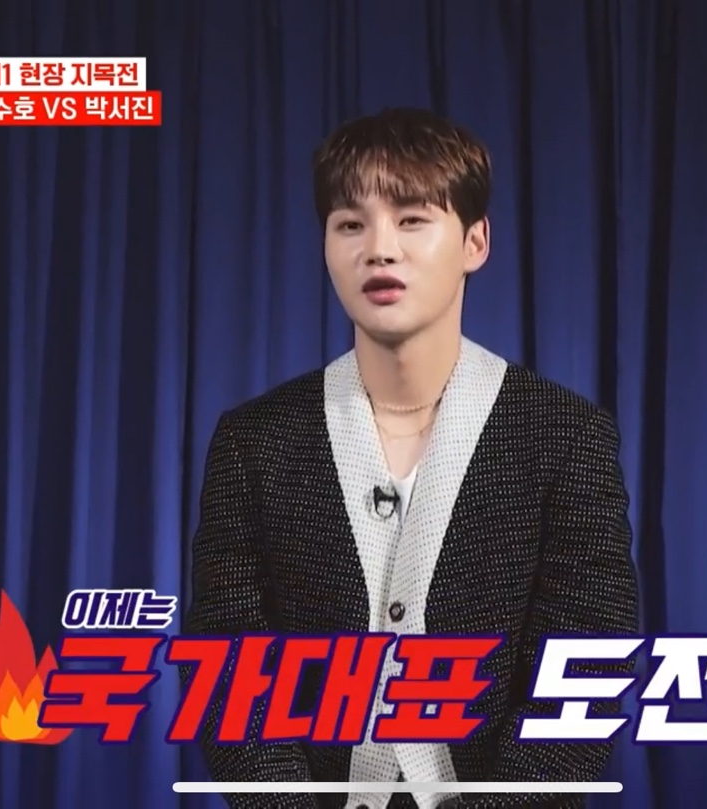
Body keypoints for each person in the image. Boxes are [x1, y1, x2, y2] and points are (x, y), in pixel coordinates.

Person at [182, 108, 641, 809]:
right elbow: (229, 673)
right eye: (350, 224)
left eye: (412, 219)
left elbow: (586, 672)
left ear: (475, 241)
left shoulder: (563, 435)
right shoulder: (256, 440)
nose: (379, 249)